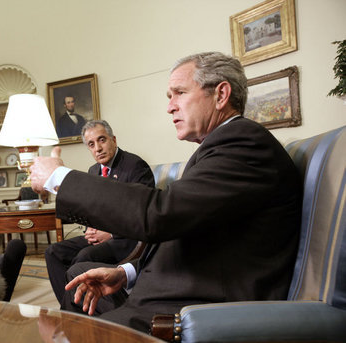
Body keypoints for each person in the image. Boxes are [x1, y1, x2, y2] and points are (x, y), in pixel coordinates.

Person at [29, 52, 302, 333]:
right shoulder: (220, 147)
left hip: (193, 313)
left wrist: (59, 177)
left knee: (67, 335)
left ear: (221, 95)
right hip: (170, 290)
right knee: (79, 283)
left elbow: (158, 214)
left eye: (179, 93)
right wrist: (126, 273)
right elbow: (189, 230)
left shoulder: (244, 143)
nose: (169, 107)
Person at [45, 120, 155, 302]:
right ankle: (69, 305)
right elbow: (92, 209)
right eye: (91, 144)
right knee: (53, 252)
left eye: (102, 140)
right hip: (100, 236)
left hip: (127, 239)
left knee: (83, 257)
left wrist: (111, 233)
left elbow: (141, 213)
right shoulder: (93, 170)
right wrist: (90, 227)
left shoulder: (135, 166)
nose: (98, 148)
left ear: (113, 140)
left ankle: (77, 305)